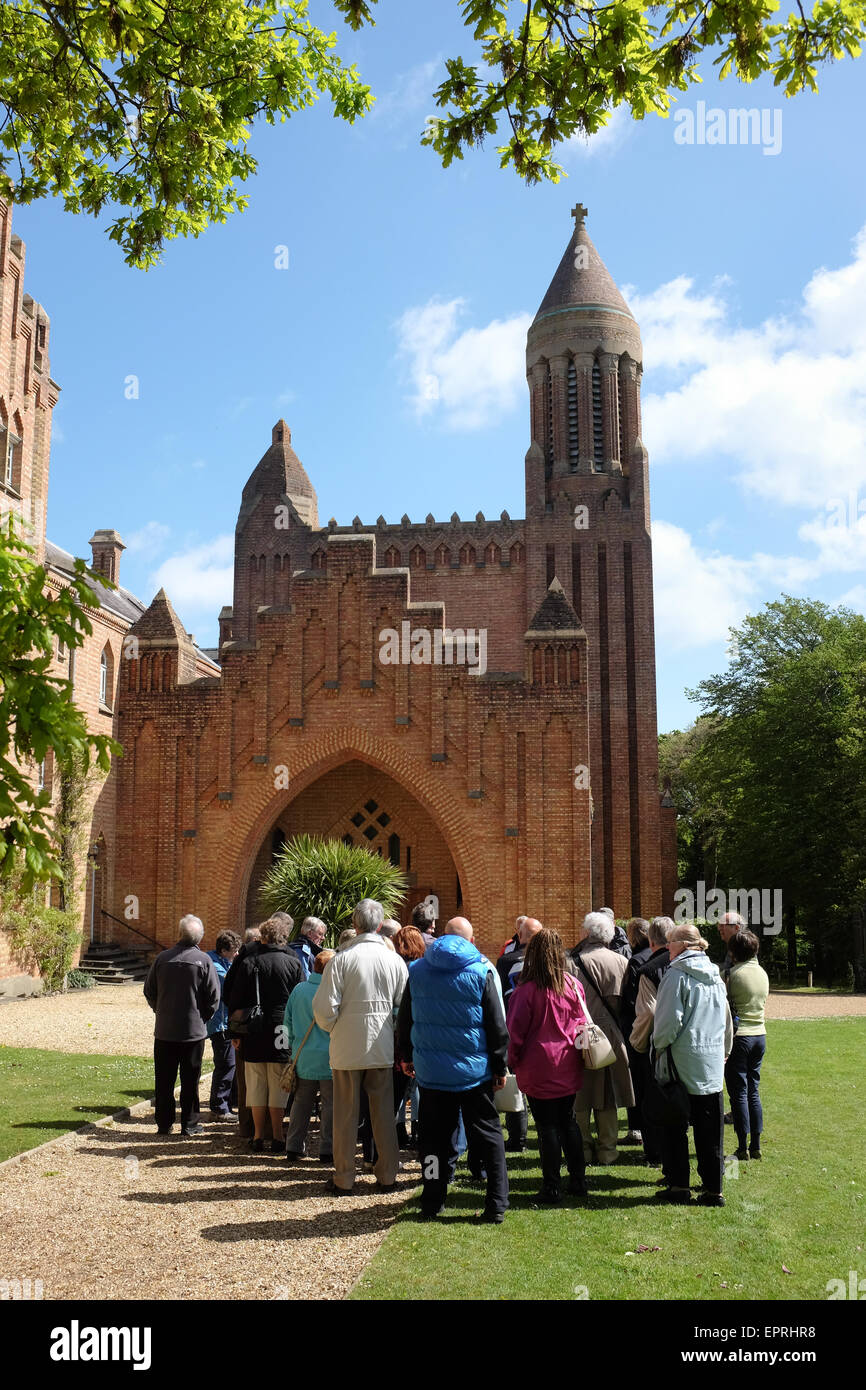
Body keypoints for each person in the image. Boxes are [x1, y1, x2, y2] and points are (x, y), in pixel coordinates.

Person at [395, 917, 509, 1223]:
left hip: (432, 1071)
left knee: (433, 1141)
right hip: (474, 1072)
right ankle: (497, 1202)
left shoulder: (417, 971)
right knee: (489, 1137)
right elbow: (497, 1026)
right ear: (470, 942)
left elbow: (405, 1018)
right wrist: (500, 1066)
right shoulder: (481, 971)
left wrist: (406, 1055)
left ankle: (432, 1199)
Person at [313, 898, 408, 1195]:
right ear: (379, 926)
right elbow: (403, 1007)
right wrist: (391, 1030)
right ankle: (387, 1174)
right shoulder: (393, 960)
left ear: (355, 924)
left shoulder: (341, 959)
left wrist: (336, 1029)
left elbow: (325, 1008)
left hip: (346, 1047)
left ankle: (344, 1177)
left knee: (345, 1114)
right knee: (383, 1113)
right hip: (381, 1045)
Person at [652, 924, 734, 1207]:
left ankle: (679, 1185)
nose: (667, 948)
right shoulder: (715, 974)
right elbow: (726, 1019)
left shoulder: (676, 975)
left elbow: (666, 1022)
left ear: (682, 946)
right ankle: (714, 1189)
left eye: (670, 943)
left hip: (682, 1061)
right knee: (710, 1128)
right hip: (710, 1061)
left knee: (675, 1126)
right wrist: (725, 1049)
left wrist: (658, 1047)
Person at [506, 928, 588, 1204]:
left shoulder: (526, 991)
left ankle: (552, 1186)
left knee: (547, 1126)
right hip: (568, 1062)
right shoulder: (573, 985)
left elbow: (514, 1033)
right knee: (568, 1122)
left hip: (538, 1065)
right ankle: (578, 1180)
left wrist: (511, 1061)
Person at [227, 915, 303, 1153]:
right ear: (283, 937)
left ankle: (258, 1135)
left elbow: (235, 999)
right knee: (279, 1082)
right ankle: (278, 1135)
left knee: (256, 1082)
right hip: (282, 1026)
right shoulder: (293, 962)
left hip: (254, 1028)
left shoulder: (250, 962)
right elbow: (299, 997)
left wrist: (235, 1034)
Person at [143, 914, 220, 1137]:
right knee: (190, 1081)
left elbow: (149, 991)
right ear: (200, 936)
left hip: (166, 1030)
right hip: (192, 1032)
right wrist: (201, 1017)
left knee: (164, 1081)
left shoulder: (162, 958)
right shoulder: (203, 961)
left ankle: (164, 1123)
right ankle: (190, 1124)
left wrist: (161, 1010)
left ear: (179, 933)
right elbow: (213, 997)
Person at [568, 912, 634, 1164]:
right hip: (613, 1033)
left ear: (587, 932)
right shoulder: (622, 962)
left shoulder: (574, 962)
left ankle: (583, 1149)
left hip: (583, 1032)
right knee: (608, 1093)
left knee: (581, 1092)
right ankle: (608, 1149)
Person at [283, 949, 336, 1163]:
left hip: (303, 1055)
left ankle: (294, 1146)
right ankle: (327, 1149)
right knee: (331, 1105)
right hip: (331, 1057)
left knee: (300, 1103)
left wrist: (291, 1048)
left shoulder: (299, 989)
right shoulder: (335, 991)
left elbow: (287, 1023)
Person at [629, 916, 673, 1167]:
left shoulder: (647, 968)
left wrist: (637, 1042)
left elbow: (647, 1013)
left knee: (650, 1100)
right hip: (682, 1045)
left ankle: (655, 1153)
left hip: (653, 1045)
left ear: (651, 939)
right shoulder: (698, 966)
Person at [725, 928, 769, 1161]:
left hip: (739, 1037)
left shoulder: (732, 975)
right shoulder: (762, 973)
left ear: (734, 951)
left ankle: (741, 1146)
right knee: (753, 1091)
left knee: (738, 1093)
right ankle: (756, 1144)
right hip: (760, 1035)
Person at [393, 927, 427, 1147]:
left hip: (400, 1038)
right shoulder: (423, 970)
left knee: (398, 1090)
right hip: (421, 1036)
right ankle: (418, 1131)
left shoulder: (399, 968)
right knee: (417, 1089)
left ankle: (399, 1133)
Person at [620, 917, 651, 1145]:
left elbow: (631, 1001)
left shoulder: (636, 961)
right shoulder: (662, 957)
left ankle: (637, 1130)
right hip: (659, 1031)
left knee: (638, 1084)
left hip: (638, 1030)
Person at [206, 930, 241, 1116]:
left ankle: (224, 1104)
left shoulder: (223, 962)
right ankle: (219, 1107)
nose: (236, 954)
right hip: (220, 1024)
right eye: (234, 951)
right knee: (226, 1065)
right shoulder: (215, 966)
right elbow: (229, 985)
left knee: (227, 1064)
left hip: (224, 1022)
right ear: (223, 950)